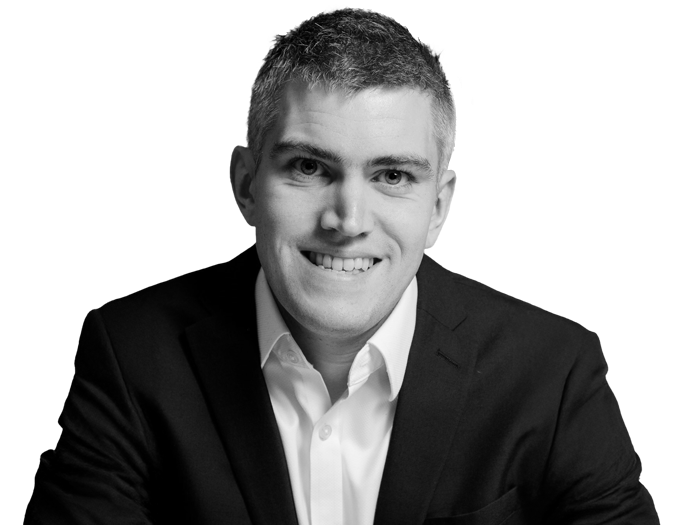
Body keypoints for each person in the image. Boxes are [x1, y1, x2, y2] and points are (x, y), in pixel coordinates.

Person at [24, 6, 659, 524]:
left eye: (393, 175)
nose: (348, 220)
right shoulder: (131, 355)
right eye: (308, 167)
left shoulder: (553, 373)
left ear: (438, 208)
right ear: (246, 185)